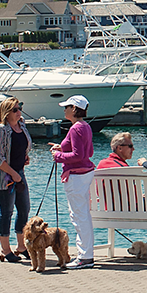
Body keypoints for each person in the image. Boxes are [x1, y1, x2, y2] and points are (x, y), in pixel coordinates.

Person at [50, 95, 95, 269]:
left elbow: (78, 155)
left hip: (76, 176)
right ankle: (86, 254)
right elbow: (88, 152)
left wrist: (58, 155)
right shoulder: (86, 127)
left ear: (74, 109)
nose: (64, 109)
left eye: (67, 106)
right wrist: (63, 148)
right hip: (85, 174)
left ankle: (85, 256)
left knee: (78, 216)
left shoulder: (76, 128)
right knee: (82, 215)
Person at [0, 96, 31, 263]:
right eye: (15, 110)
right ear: (6, 113)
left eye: (19, 108)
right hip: (4, 176)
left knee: (24, 209)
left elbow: (21, 146)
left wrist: (25, 158)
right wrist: (13, 173)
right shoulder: (0, 130)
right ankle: (5, 249)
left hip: (19, 172)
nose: (19, 112)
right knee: (7, 212)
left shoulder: (22, 125)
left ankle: (21, 246)